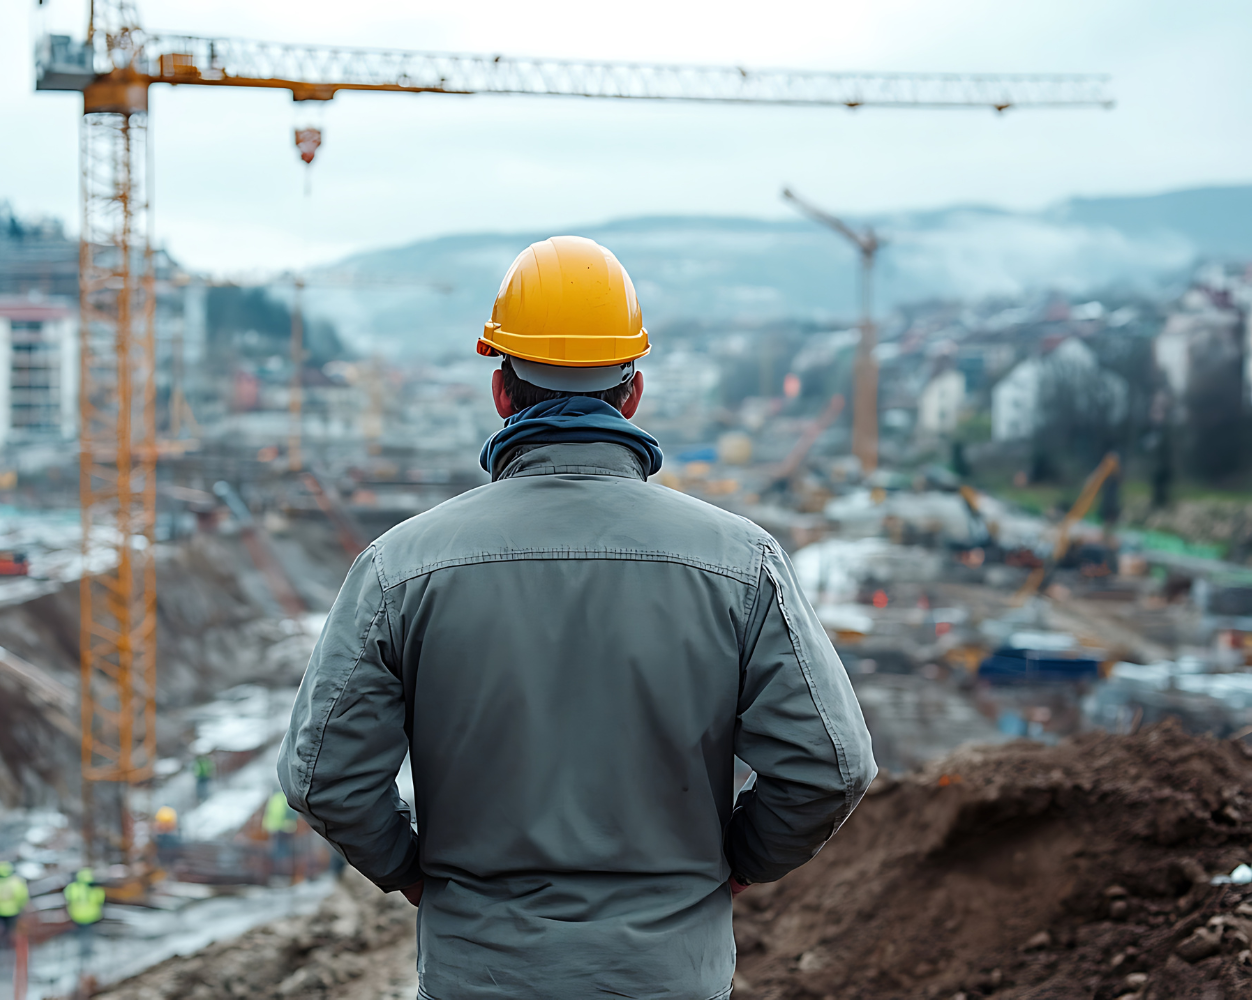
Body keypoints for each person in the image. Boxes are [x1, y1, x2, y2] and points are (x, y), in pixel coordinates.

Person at [277, 235, 877, 999]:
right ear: (632, 394)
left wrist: (412, 872)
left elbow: (322, 774)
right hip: (669, 978)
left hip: (478, 976)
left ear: (501, 390)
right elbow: (832, 765)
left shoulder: (401, 567)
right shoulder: (742, 564)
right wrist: (737, 863)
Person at [62, 869, 105, 968]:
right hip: (91, 915)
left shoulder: (72, 887)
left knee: (81, 934)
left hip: (77, 916)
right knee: (88, 934)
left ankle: (82, 951)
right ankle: (87, 952)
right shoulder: (95, 888)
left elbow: (68, 899)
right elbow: (100, 900)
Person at [0, 861, 27, 949]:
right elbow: (22, 896)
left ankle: (1, 945)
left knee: (0, 930)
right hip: (14, 910)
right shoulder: (16, 881)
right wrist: (21, 906)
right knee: (12, 930)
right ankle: (11, 946)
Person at [262, 790, 300, 880]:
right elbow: (292, 813)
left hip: (275, 829)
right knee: (285, 852)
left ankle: (279, 874)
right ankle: (285, 874)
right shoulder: (284, 798)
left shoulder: (274, 798)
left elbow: (268, 813)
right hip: (285, 829)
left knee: (278, 852)